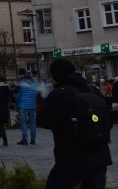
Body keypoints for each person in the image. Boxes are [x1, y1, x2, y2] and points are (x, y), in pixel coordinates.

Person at [38, 58, 113, 189]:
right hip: (100, 157)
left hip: (72, 158)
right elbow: (108, 120)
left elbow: (42, 120)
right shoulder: (93, 90)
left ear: (56, 76)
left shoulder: (61, 93)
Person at [15, 67, 38, 145]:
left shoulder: (20, 82)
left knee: (24, 123)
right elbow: (37, 93)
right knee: (33, 122)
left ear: (19, 74)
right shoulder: (33, 81)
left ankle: (24, 139)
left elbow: (17, 95)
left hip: (23, 106)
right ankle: (33, 139)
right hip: (32, 106)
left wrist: (18, 104)